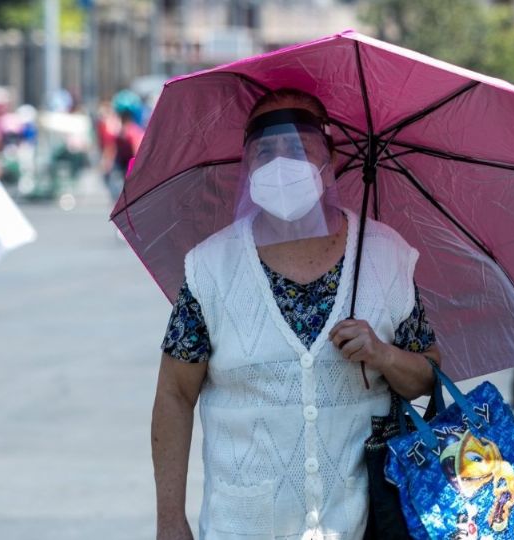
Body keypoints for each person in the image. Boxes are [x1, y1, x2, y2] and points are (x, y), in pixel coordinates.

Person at [152, 88, 436, 538]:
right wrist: (170, 519)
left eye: (299, 147)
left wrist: (384, 355)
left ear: (330, 162)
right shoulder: (210, 267)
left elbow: (428, 375)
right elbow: (174, 394)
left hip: (364, 523)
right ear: (247, 168)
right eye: (265, 151)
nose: (281, 163)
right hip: (243, 524)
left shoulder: (385, 256)